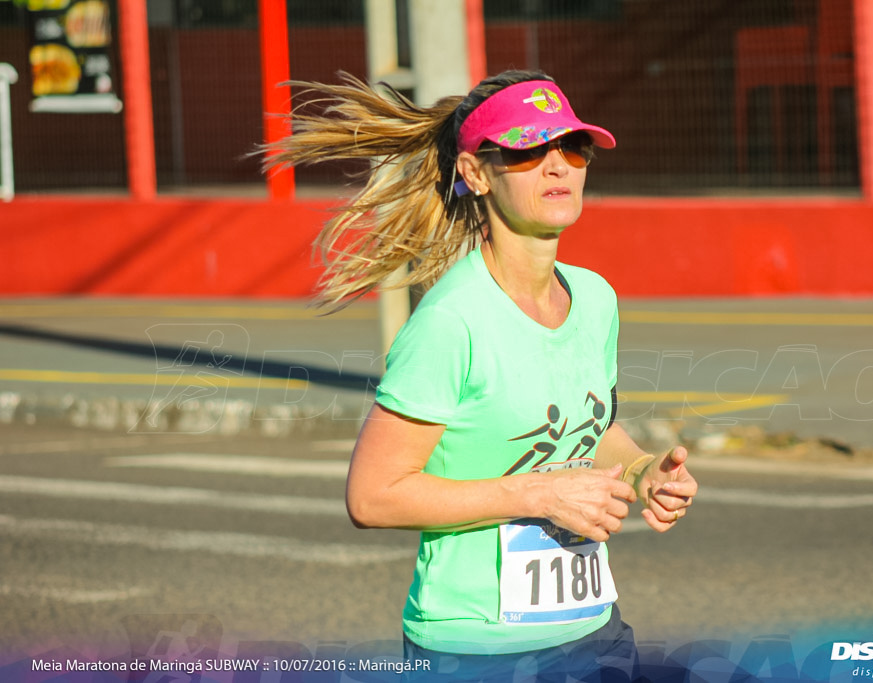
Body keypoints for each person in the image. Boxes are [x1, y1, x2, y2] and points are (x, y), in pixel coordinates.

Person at [268, 70, 698, 681]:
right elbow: (372, 496)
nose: (557, 166)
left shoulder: (596, 299)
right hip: (476, 649)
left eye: (571, 147)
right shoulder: (450, 321)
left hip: (595, 631)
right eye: (527, 149)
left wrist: (641, 470)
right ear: (476, 174)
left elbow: (586, 423)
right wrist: (538, 493)